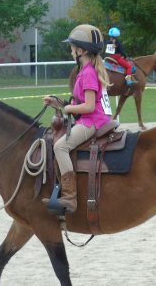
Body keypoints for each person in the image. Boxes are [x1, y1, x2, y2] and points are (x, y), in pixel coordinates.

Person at [42, 24, 112, 213]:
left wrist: (67, 108)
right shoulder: (86, 70)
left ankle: (69, 197)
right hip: (90, 118)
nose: (71, 51)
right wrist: (57, 103)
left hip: (92, 122)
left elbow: (88, 106)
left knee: (60, 146)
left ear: (80, 50)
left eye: (73, 48)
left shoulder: (88, 73)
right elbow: (77, 103)